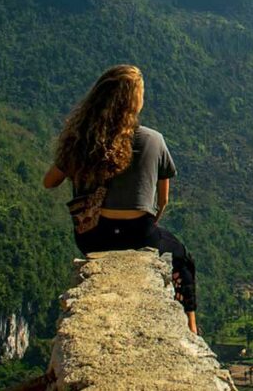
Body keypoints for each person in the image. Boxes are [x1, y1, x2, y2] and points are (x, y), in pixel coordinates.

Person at [43, 65, 198, 334]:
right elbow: (162, 201)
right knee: (182, 257)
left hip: (93, 238)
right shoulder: (153, 140)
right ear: (135, 101)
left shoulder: (85, 141)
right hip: (140, 237)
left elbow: (49, 182)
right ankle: (191, 326)